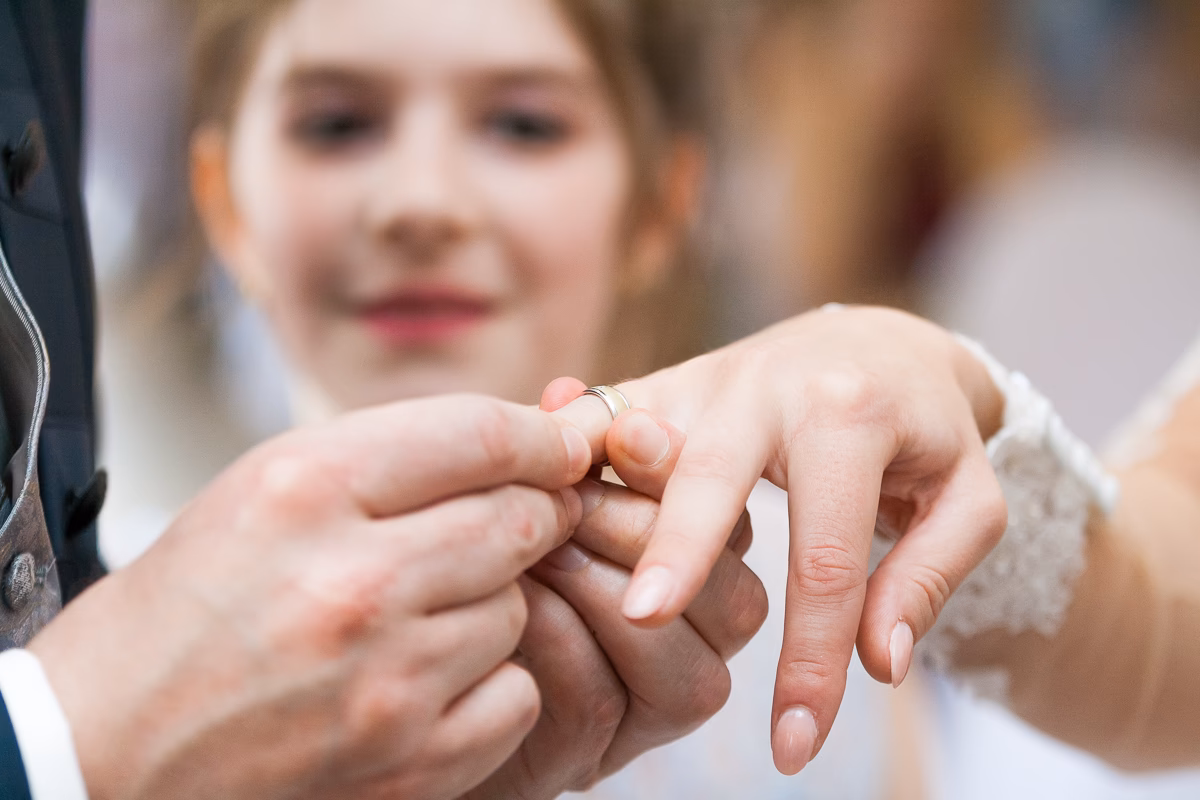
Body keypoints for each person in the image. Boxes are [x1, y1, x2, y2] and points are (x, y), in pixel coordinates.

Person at [0, 2, 766, 799]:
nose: (419, 204)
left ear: (659, 201)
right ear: (223, 198)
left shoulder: (797, 630)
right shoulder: (112, 632)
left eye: (524, 126)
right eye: (338, 126)